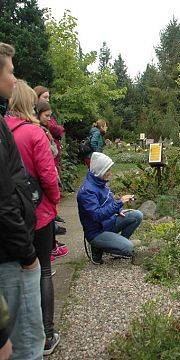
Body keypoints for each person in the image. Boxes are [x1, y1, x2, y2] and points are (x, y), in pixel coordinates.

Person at [5, 79, 61, 355]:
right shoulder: (34, 133)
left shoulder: (4, 130)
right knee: (43, 271)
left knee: (11, 274)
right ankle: (47, 335)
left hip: (9, 218)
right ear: (31, 105)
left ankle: (11, 337)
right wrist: (54, 201)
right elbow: (49, 177)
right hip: (37, 215)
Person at [0, 43, 44, 360]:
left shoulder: (5, 124)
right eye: (11, 72)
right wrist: (27, 253)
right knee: (26, 340)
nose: (15, 79)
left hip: (12, 244)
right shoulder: (30, 132)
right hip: (12, 251)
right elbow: (4, 201)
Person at [77, 152, 142, 265]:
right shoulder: (87, 191)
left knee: (137, 215)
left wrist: (118, 210)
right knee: (128, 247)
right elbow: (97, 215)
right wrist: (119, 202)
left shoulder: (100, 181)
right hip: (96, 232)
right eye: (107, 170)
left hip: (108, 223)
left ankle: (115, 248)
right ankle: (97, 249)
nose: (110, 173)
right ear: (100, 170)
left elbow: (107, 201)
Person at [36, 99, 69, 260]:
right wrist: (55, 194)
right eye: (47, 115)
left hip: (44, 180)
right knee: (46, 216)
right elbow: (50, 155)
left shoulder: (43, 130)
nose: (50, 119)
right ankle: (47, 251)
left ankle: (50, 247)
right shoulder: (39, 132)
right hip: (44, 182)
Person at [33, 86, 65, 174]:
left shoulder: (46, 113)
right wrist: (59, 128)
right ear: (36, 97)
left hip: (53, 160)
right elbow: (57, 130)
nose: (47, 100)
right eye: (45, 97)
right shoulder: (36, 119)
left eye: (48, 97)